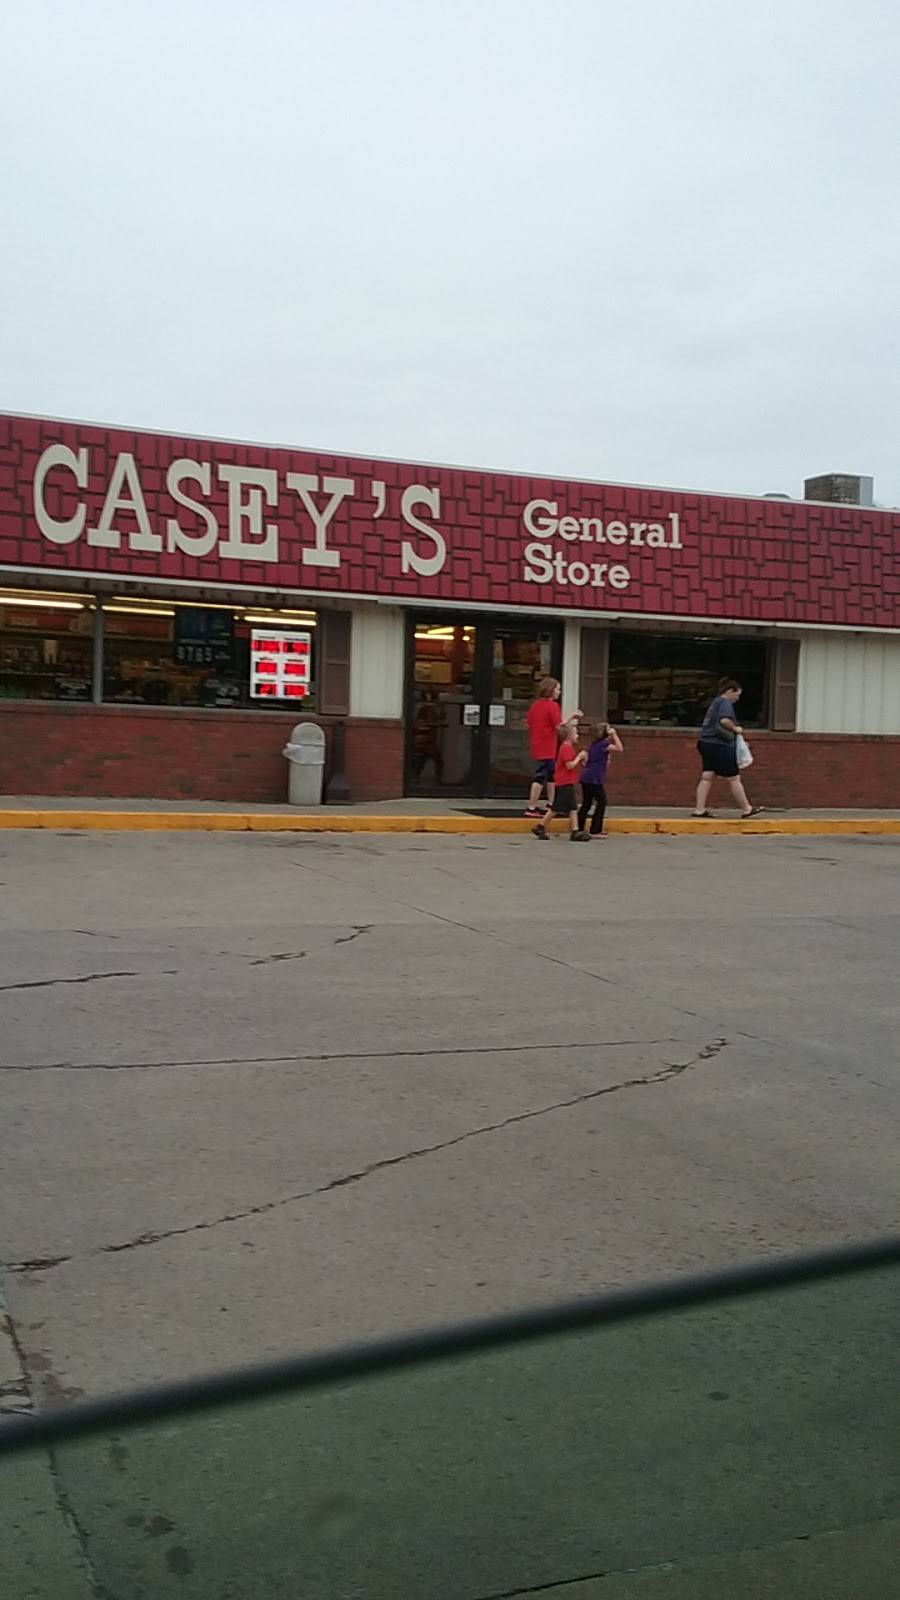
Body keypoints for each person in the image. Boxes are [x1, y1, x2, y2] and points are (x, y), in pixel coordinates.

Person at [692, 678, 763, 818]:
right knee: (734, 778)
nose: (737, 698)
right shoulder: (725, 703)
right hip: (719, 744)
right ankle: (747, 808)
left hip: (705, 742)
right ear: (730, 691)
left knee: (707, 776)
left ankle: (699, 809)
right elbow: (724, 720)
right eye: (737, 695)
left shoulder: (715, 702)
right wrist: (736, 729)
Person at [524, 677, 581, 818]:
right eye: (557, 689)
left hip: (537, 743)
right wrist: (573, 716)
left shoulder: (535, 705)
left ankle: (552, 803)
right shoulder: (552, 706)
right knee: (541, 775)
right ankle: (531, 806)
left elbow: (528, 723)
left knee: (551, 775)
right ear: (551, 690)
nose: (559, 692)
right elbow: (560, 725)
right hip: (548, 746)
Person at [532, 720, 589, 840]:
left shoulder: (567, 748)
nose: (578, 736)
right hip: (564, 782)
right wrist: (579, 757)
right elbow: (569, 765)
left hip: (565, 782)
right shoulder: (566, 748)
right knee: (562, 808)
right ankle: (543, 826)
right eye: (576, 733)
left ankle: (572, 830)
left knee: (568, 807)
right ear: (569, 736)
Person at [578, 721, 624, 838]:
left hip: (586, 776)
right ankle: (595, 830)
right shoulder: (604, 744)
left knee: (587, 803)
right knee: (601, 802)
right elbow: (619, 748)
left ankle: (579, 827)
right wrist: (614, 734)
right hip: (595, 778)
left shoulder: (594, 744)